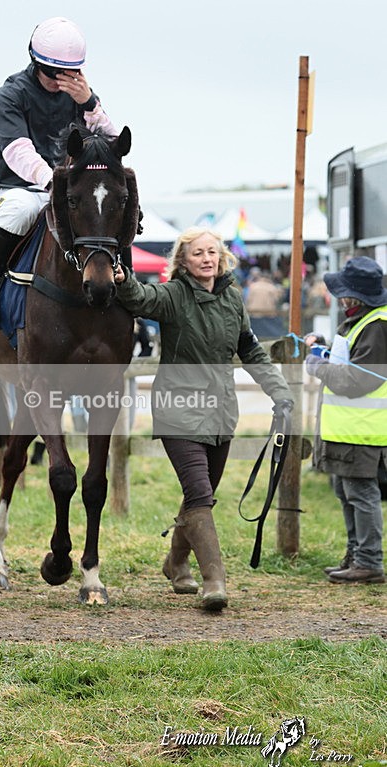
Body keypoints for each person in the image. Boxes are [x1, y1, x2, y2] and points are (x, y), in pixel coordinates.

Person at [114, 227, 293, 610]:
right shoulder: (174, 295)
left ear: (222, 257)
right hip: (178, 408)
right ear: (183, 260)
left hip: (221, 411)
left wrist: (279, 391)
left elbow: (250, 348)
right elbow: (140, 297)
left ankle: (176, 561)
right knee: (199, 494)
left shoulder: (231, 296)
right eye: (198, 253)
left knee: (202, 495)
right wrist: (122, 278)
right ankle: (215, 581)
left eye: (212, 252)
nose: (207, 258)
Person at [0, 16, 118, 325]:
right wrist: (51, 181)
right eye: (55, 73)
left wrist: (89, 103)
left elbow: (113, 143)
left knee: (108, 212)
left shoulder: (80, 95)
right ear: (36, 62)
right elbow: (18, 151)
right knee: (21, 211)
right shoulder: (9, 96)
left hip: (69, 189)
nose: (62, 80)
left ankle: (126, 289)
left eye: (71, 72)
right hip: (21, 187)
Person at [305, 256, 387, 584]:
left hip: (362, 431)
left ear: (354, 296)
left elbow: (359, 381)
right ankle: (357, 555)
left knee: (360, 493)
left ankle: (368, 560)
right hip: (349, 429)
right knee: (345, 489)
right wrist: (324, 351)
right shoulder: (362, 320)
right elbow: (351, 362)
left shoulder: (376, 325)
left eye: (343, 292)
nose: (339, 297)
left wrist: (316, 365)